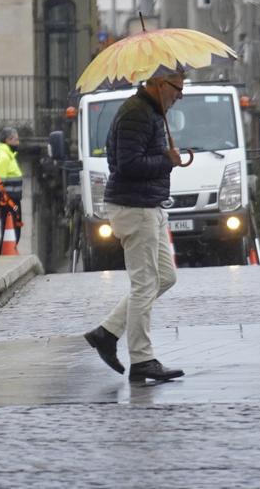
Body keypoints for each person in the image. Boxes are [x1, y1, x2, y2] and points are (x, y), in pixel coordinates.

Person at [83, 72, 185, 382]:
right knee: (145, 284)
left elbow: (131, 157)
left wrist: (165, 157)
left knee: (165, 277)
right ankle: (142, 359)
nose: (179, 95)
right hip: (134, 207)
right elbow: (126, 165)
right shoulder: (136, 113)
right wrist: (167, 161)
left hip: (147, 205)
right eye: (176, 88)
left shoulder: (149, 113)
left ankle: (107, 333)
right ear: (158, 83)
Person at [0, 127, 24, 244]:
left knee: (13, 232)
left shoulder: (9, 156)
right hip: (7, 203)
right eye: (16, 140)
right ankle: (4, 256)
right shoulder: (3, 157)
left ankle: (8, 254)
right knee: (10, 233)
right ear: (8, 140)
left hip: (13, 201)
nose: (18, 143)